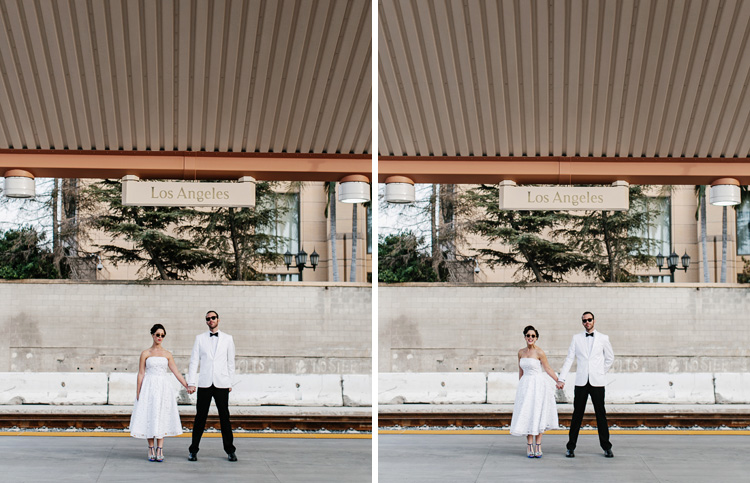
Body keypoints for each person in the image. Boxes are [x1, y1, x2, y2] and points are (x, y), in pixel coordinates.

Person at [557, 311, 615, 458]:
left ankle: (606, 447)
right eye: (584, 321)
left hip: (597, 382)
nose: (587, 322)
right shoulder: (576, 338)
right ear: (582, 322)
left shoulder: (603, 338)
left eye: (589, 320)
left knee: (601, 415)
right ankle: (570, 447)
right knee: (577, 415)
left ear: (594, 321)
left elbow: (610, 358)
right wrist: (561, 378)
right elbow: (569, 359)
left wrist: (600, 372)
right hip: (581, 382)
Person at [129, 324, 189, 462]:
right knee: (149, 414)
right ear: (152, 335)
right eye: (158, 335)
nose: (160, 337)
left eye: (162, 335)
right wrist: (138, 391)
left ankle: (160, 448)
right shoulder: (145, 353)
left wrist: (186, 385)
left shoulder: (167, 354)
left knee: (161, 414)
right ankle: (151, 447)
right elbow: (141, 373)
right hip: (149, 386)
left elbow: (176, 372)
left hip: (163, 387)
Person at [186, 310, 237, 462]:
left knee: (224, 418)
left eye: (213, 318)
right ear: (206, 321)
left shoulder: (228, 339)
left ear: (218, 320)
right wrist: (191, 382)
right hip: (205, 383)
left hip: (221, 383)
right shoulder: (200, 338)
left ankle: (230, 450)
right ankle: (193, 450)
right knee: (200, 418)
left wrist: (230, 382)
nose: (211, 320)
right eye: (208, 319)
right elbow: (194, 361)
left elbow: (231, 362)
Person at [509, 325, 560, 458]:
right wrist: (520, 386)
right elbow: (520, 371)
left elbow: (547, 368)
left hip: (538, 385)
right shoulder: (520, 352)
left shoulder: (540, 352)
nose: (530, 338)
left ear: (536, 338)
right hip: (526, 385)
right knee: (528, 413)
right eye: (528, 335)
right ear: (525, 337)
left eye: (533, 336)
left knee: (538, 412)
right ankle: (529, 445)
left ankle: (538, 445)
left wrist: (558, 380)